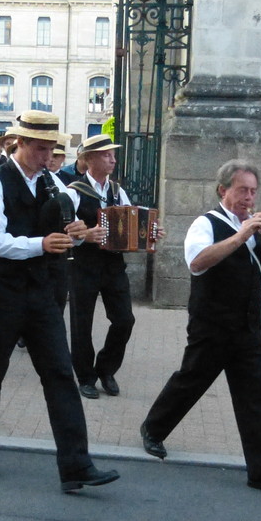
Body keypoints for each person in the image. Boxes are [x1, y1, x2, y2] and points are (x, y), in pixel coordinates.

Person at [0, 110, 121, 492]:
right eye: (39, 148)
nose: (46, 155)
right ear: (19, 143)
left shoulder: (53, 183)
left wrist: (80, 233)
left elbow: (67, 231)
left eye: (51, 148)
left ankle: (76, 465)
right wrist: (41, 244)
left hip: (42, 292)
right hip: (3, 291)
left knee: (60, 374)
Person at [140, 160, 261, 494]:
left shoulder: (258, 229)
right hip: (212, 325)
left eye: (253, 191)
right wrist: (241, 235)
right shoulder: (205, 223)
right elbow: (197, 262)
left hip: (248, 327)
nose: (249, 198)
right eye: (242, 190)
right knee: (190, 381)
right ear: (223, 190)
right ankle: (153, 429)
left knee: (255, 399)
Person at [65, 133, 151, 397]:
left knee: (124, 319)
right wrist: (83, 237)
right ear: (89, 159)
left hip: (113, 265)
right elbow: (63, 231)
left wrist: (148, 232)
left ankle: (106, 368)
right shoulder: (73, 192)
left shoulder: (117, 190)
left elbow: (131, 221)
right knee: (82, 323)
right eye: (106, 155)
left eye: (113, 155)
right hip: (83, 265)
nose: (113, 159)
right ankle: (85, 377)